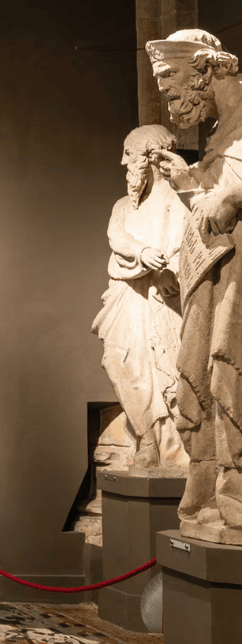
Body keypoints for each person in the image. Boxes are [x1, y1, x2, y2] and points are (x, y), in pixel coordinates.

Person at [146, 28, 242, 540]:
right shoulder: (222, 130)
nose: (171, 103)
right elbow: (217, 200)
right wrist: (190, 183)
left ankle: (234, 494)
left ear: (203, 70)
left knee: (229, 375)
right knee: (204, 374)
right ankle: (213, 491)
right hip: (214, 279)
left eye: (172, 86)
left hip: (236, 284)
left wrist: (218, 197)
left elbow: (227, 202)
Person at [92, 125, 189, 469]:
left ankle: (170, 448)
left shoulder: (176, 201)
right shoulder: (123, 206)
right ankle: (146, 438)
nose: (122, 162)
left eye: (128, 153)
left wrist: (166, 271)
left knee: (167, 374)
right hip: (126, 296)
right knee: (119, 362)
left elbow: (187, 245)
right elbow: (115, 236)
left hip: (163, 301)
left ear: (150, 157)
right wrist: (142, 251)